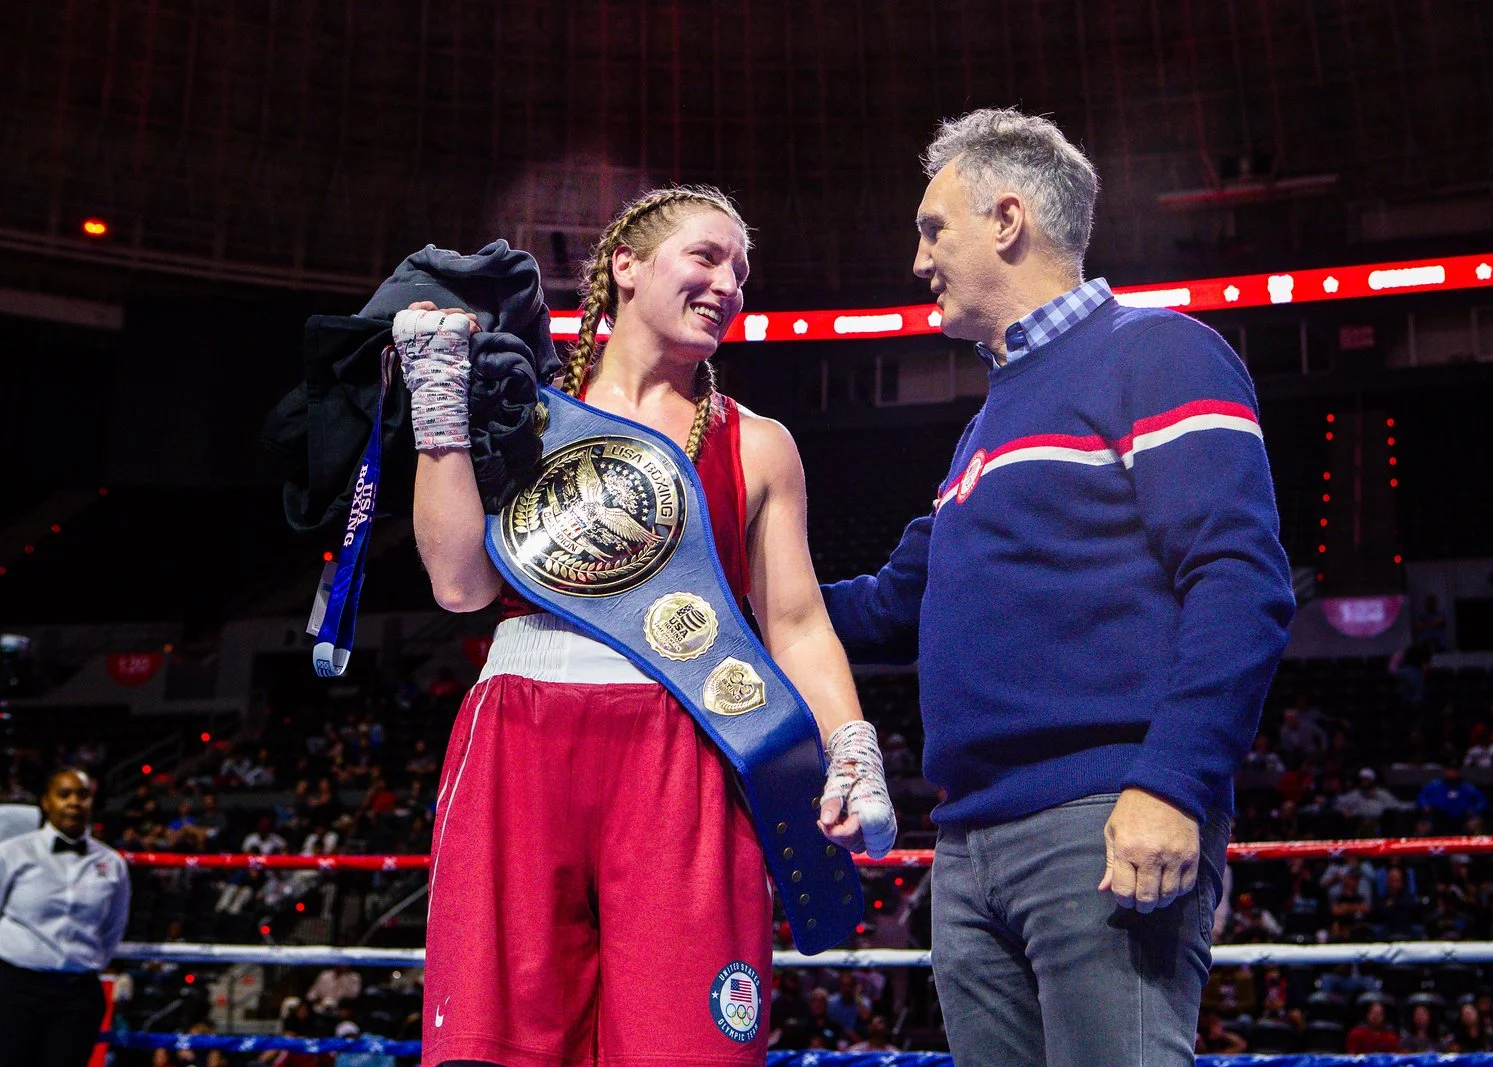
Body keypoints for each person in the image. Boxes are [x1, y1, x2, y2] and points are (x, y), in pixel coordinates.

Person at [822, 108, 1295, 1065]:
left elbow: (1240, 580)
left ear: (1006, 219)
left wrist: (1173, 781)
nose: (918, 261)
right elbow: (884, 606)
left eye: (931, 228)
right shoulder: (989, 420)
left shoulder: (1158, 352)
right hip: (966, 847)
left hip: (1102, 819)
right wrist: (707, 598)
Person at [404, 186, 895, 1065]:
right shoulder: (526, 412)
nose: (728, 283)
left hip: (690, 743)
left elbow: (795, 621)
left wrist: (851, 741)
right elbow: (459, 584)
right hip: (520, 734)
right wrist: (439, 408)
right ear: (624, 266)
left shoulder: (758, 443)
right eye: (707, 257)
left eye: (741, 270)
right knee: (496, 1045)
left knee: (687, 1046)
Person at [0, 768, 131, 1067]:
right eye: (64, 794)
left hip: (77, 994)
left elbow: (113, 927)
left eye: (82, 795)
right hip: (15, 987)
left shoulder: (111, 863)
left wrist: (82, 961)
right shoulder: (12, 852)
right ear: (46, 802)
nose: (74, 802)